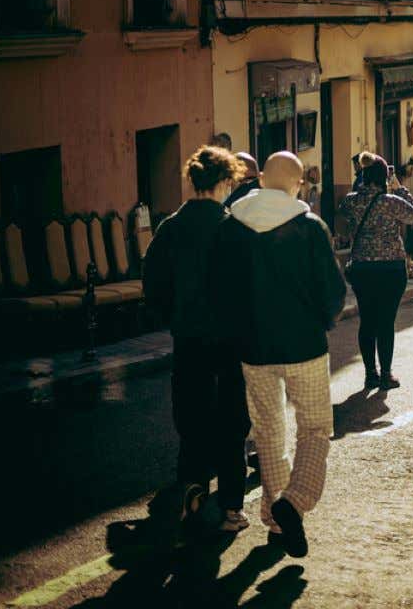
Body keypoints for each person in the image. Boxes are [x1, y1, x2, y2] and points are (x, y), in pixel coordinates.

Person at [211, 151, 347, 557]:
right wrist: (325, 320)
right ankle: (295, 501)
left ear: (263, 179)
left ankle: (275, 521)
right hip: (304, 345)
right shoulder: (309, 227)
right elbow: (332, 292)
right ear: (297, 183)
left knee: (268, 433)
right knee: (315, 429)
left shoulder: (231, 227)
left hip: (253, 349)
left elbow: (221, 291)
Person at [144, 146, 251, 534]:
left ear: (193, 181)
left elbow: (152, 283)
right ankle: (230, 510)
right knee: (232, 421)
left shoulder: (170, 227)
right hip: (231, 340)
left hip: (188, 337)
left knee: (191, 418)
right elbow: (249, 286)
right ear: (224, 182)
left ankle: (192, 495)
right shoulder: (234, 227)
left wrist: (173, 317)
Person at [338, 154, 413, 390]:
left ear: (364, 177)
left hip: (363, 268)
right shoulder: (390, 201)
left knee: (367, 321)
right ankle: (386, 374)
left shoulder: (350, 201)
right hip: (391, 268)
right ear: (384, 177)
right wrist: (400, 188)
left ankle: (369, 374)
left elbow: (342, 221)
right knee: (386, 321)